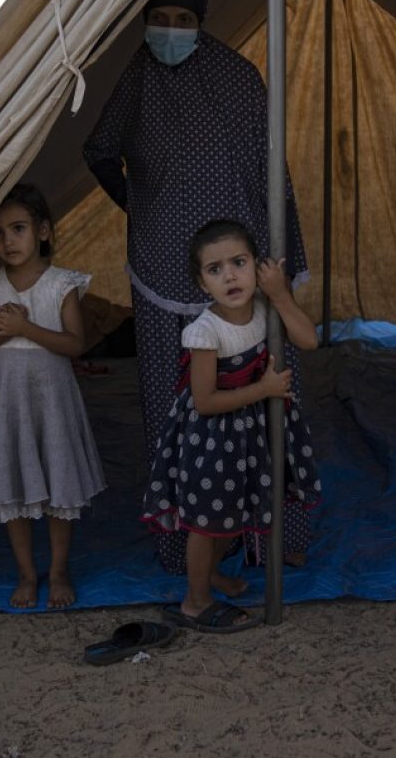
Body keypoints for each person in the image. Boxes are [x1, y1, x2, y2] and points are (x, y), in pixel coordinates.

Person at [83, 0, 312, 574]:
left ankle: (272, 534)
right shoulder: (135, 77)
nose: (170, 30)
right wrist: (138, 203)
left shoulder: (236, 78)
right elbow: (99, 149)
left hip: (238, 271)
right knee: (174, 407)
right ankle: (189, 543)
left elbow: (271, 174)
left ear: (201, 22)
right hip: (162, 269)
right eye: (158, 19)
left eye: (182, 20)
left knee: (265, 403)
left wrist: (278, 264)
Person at [143, 219, 321, 632]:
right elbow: (205, 402)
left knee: (233, 513)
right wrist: (264, 390)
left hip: (250, 433)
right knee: (207, 523)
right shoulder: (204, 331)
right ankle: (195, 601)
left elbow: (309, 340)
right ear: (203, 284)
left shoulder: (264, 307)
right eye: (215, 269)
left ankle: (210, 576)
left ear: (257, 268)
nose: (230, 276)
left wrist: (280, 294)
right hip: (213, 439)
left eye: (239, 263)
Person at [0, 183, 106, 610]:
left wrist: (26, 330)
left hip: (53, 402)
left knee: (59, 486)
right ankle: (27, 573)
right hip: (8, 402)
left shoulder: (62, 284)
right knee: (14, 486)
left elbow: (75, 345)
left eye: (18, 228)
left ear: (43, 231)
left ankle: (58, 570)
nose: (7, 241)